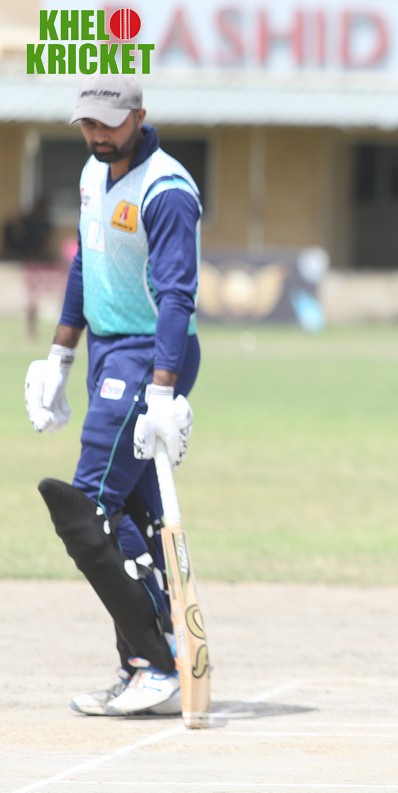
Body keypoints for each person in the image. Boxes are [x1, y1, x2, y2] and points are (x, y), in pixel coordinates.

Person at [23, 74, 202, 718]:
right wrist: (60, 356)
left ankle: (154, 662)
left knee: (88, 507)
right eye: (88, 124)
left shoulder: (166, 190)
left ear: (139, 116)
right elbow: (85, 264)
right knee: (132, 510)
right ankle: (162, 650)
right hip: (106, 352)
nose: (98, 135)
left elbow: (177, 295)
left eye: (109, 122)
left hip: (148, 355)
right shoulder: (91, 175)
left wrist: (163, 390)